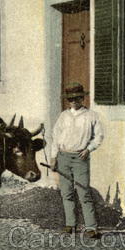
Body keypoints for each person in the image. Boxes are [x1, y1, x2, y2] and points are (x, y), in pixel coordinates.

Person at [49, 82, 104, 238]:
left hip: (80, 158)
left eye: (77, 98)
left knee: (83, 192)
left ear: (82, 98)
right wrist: (54, 157)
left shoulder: (91, 116)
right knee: (66, 193)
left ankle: (91, 227)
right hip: (63, 157)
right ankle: (70, 224)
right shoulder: (63, 116)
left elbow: (98, 136)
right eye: (71, 99)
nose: (74, 101)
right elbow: (55, 138)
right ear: (68, 100)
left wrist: (89, 149)